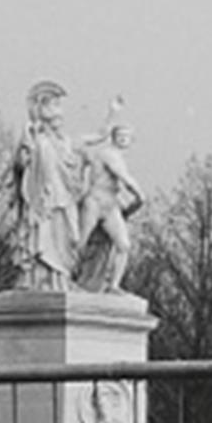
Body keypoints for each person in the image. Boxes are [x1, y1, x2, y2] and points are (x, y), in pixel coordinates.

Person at [12, 80, 85, 290]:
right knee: (44, 236)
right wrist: (28, 149)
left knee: (68, 238)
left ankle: (61, 277)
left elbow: (72, 167)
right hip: (44, 199)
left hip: (64, 198)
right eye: (53, 106)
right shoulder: (35, 138)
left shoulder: (63, 142)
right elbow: (20, 164)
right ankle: (43, 278)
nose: (59, 115)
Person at [75, 116, 148, 295]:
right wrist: (139, 193)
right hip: (95, 201)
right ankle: (67, 276)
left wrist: (132, 203)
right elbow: (122, 176)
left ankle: (114, 285)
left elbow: (117, 186)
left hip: (111, 204)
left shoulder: (119, 156)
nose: (123, 139)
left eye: (127, 136)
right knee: (81, 241)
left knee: (124, 245)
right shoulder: (107, 154)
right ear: (113, 137)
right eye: (120, 135)